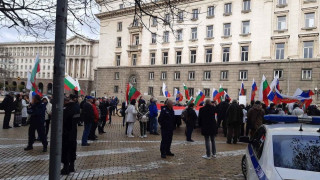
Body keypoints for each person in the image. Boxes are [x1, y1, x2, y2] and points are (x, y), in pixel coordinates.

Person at [61, 95, 79, 175]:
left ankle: (66, 168)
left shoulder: (66, 109)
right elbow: (78, 119)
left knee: (65, 150)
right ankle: (72, 166)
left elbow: (63, 120)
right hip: (73, 132)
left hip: (66, 133)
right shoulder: (76, 108)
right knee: (72, 149)